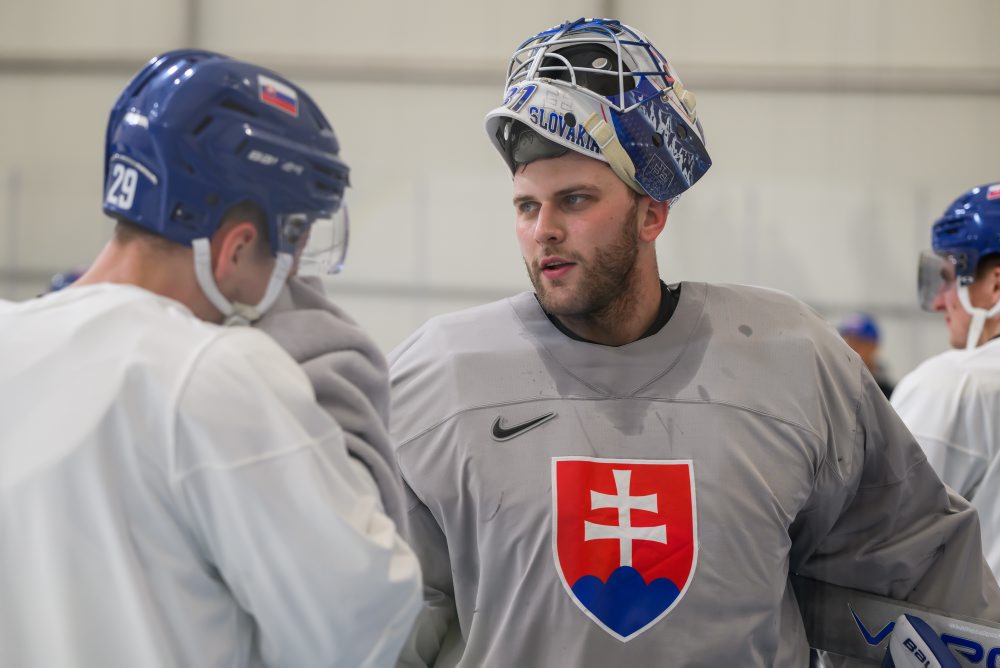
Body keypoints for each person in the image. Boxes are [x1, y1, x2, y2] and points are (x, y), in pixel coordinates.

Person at [388, 19, 1000, 666]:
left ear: (652, 213)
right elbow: (379, 618)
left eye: (574, 199)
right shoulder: (441, 375)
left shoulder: (792, 361)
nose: (544, 230)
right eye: (525, 206)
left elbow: (921, 581)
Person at [0, 50, 421, 667]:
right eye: (292, 248)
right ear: (236, 247)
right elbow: (359, 622)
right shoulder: (213, 372)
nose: (290, 281)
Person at [891, 181, 1000, 580]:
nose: (940, 301)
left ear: (994, 284)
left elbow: (880, 539)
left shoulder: (957, 384)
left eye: (951, 277)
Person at [836, 311, 895, 398]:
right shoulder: (836, 389)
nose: (851, 348)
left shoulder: (889, 394)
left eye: (858, 342)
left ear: (873, 346)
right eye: (847, 342)